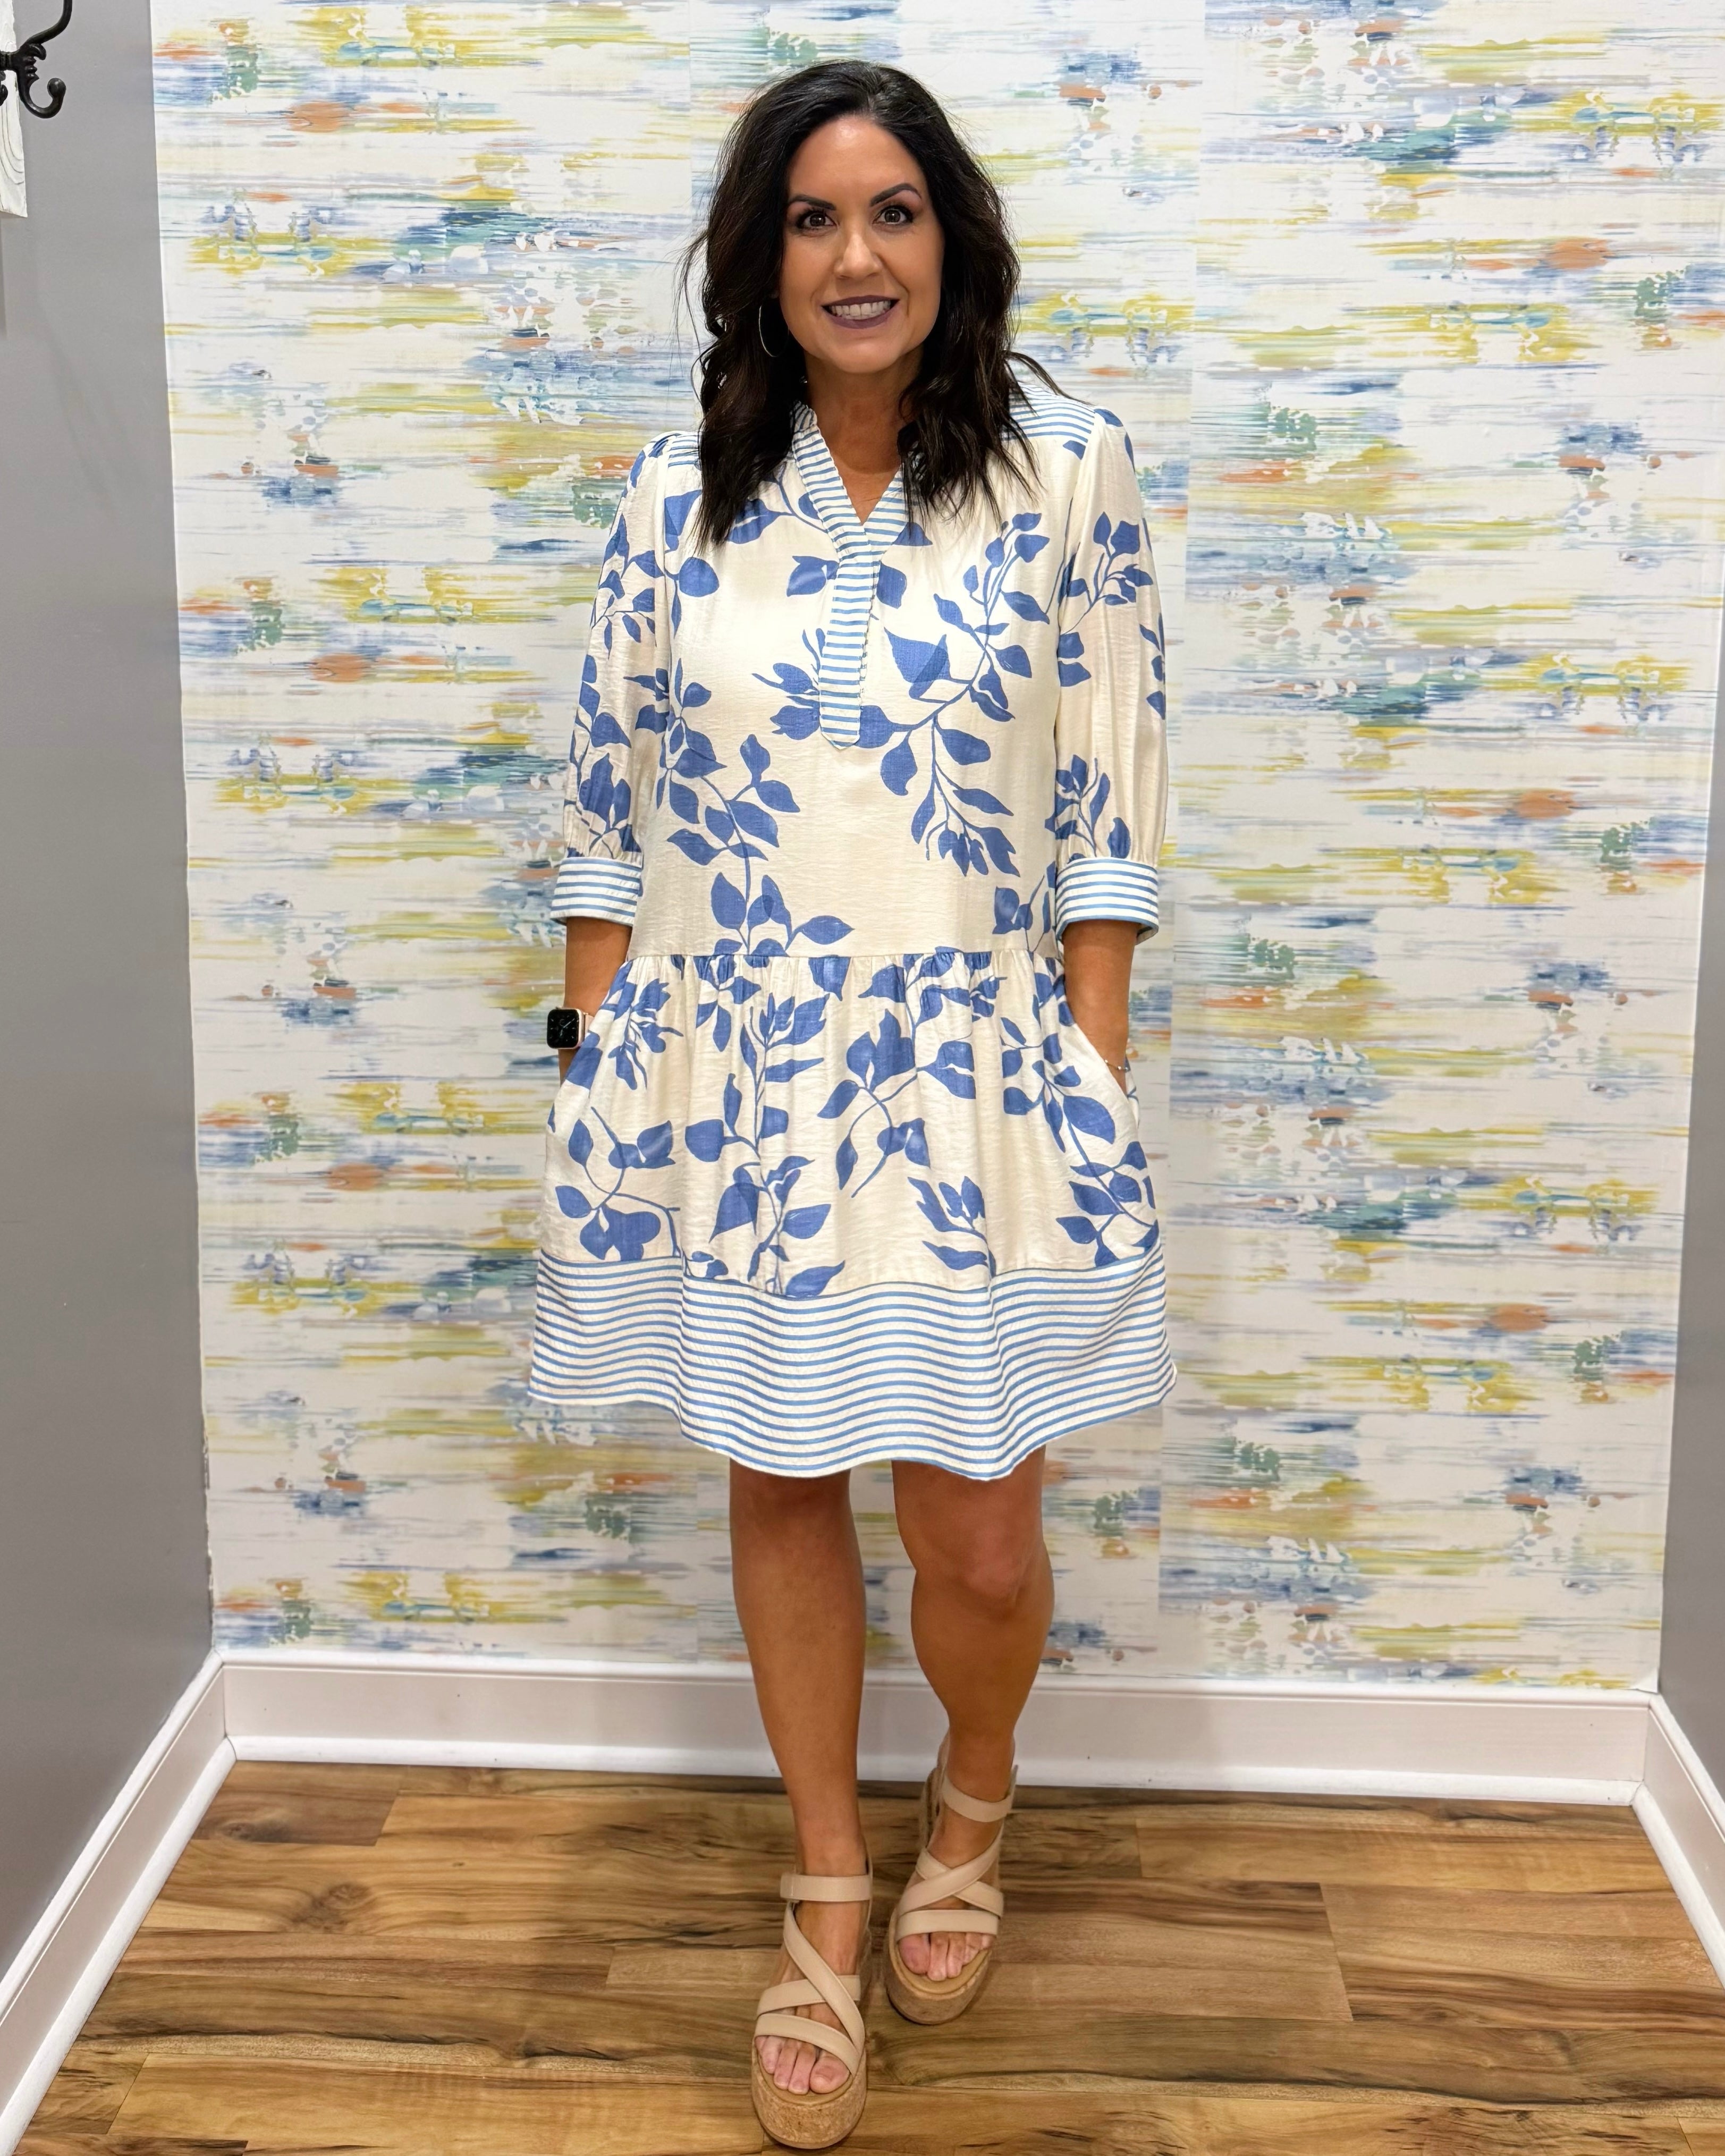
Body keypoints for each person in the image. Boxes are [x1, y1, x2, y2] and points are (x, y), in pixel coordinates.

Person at [529, 58, 1172, 2150]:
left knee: (976, 1531)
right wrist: (598, 1048)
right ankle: (825, 1879)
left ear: (949, 238)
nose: (853, 254)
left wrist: (1085, 1052)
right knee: (781, 1481)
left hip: (975, 1066)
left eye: (890, 210)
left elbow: (1107, 794)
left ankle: (966, 1799)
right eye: (809, 218)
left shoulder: (1069, 472)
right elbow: (603, 794)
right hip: (735, 1061)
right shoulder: (677, 486)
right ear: (758, 258)